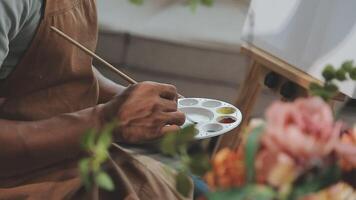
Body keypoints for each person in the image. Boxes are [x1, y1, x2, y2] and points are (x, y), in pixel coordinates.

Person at [0, 0, 190, 199]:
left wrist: (125, 98)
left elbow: (61, 59)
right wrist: (105, 120)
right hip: (23, 181)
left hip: (77, 156)